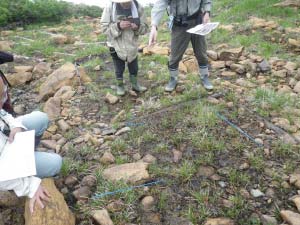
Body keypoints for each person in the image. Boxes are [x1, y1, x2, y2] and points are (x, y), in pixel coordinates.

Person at [0, 52, 62, 214]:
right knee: (55, 163)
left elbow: (4, 114)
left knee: (39, 118)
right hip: (4, 165)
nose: (4, 102)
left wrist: (15, 126)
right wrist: (30, 186)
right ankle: (21, 175)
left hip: (8, 142)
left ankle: (29, 159)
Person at [149, 0, 214, 92]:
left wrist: (207, 12)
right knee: (175, 56)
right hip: (179, 25)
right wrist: (154, 26)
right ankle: (173, 78)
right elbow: (160, 4)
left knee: (201, 52)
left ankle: (204, 76)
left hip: (198, 21)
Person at [101, 0, 148, 96]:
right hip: (114, 44)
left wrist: (137, 27)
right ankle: (120, 85)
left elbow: (145, 28)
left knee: (134, 66)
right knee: (119, 67)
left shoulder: (139, 7)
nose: (125, 3)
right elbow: (104, 29)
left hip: (132, 44)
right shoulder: (110, 8)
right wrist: (118, 26)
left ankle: (135, 84)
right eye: (123, 2)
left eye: (127, 1)